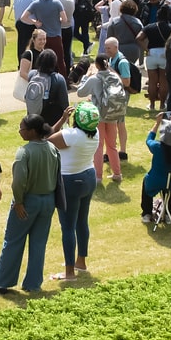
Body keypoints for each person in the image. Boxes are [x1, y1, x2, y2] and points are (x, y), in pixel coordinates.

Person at [0, 114, 60, 295]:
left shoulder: (24, 152)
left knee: (13, 241)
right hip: (48, 201)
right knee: (39, 243)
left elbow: (18, 182)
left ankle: (1, 283)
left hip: (28, 202)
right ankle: (33, 284)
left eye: (22, 128)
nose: (19, 131)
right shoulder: (52, 148)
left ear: (32, 131)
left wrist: (18, 202)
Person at [48, 102, 100, 282]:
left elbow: (47, 139)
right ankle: (80, 262)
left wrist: (62, 119)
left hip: (70, 181)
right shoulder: (95, 132)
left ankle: (69, 273)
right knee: (81, 222)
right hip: (89, 176)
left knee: (68, 227)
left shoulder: (71, 135)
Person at [78, 54, 127, 185]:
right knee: (112, 145)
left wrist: (85, 77)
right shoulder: (115, 77)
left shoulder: (94, 78)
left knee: (98, 146)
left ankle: (98, 177)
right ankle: (117, 173)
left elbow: (80, 92)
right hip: (112, 114)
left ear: (97, 65)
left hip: (97, 116)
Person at [139, 113, 171, 224]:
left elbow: (149, 139)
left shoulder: (157, 147)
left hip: (157, 181)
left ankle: (146, 213)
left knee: (146, 180)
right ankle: (168, 214)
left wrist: (157, 123)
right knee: (170, 186)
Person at [26, 48, 69, 125]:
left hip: (33, 117)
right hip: (52, 121)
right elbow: (64, 103)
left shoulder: (32, 74)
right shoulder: (58, 79)